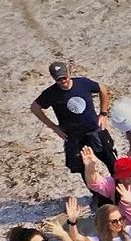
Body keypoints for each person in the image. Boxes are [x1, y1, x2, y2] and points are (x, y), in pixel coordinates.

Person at [31, 61, 116, 194]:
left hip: (94, 130)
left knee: (110, 159)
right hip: (73, 136)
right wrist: (54, 127)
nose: (63, 81)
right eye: (59, 79)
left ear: (69, 73)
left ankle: (120, 187)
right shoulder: (51, 93)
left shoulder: (83, 84)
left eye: (64, 77)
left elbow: (103, 89)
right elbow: (35, 108)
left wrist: (103, 113)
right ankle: (97, 195)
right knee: (82, 166)